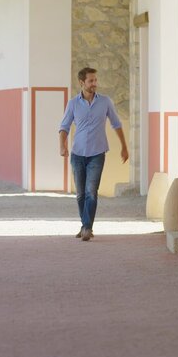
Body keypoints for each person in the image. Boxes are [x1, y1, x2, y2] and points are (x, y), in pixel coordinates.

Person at [59, 67, 129, 242]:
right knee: (81, 194)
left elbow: (116, 124)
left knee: (91, 191)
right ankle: (84, 224)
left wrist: (124, 147)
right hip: (77, 154)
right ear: (82, 82)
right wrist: (62, 146)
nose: (94, 84)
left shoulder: (105, 102)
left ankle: (87, 228)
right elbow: (64, 126)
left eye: (95, 80)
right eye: (91, 81)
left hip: (97, 153)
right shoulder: (73, 104)